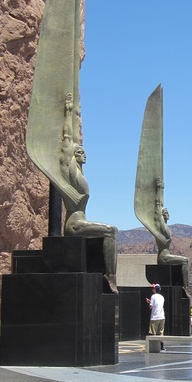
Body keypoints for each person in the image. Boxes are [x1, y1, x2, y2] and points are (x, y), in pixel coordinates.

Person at [61, 94, 118, 293]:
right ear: (72, 155)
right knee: (111, 230)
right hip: (74, 225)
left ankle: (109, 275)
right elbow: (67, 138)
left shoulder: (81, 173)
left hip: (81, 221)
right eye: (79, 152)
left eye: (84, 151)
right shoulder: (69, 171)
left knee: (111, 231)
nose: (84, 154)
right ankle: (110, 276)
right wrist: (68, 111)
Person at [154, 178, 189, 294]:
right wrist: (159, 189)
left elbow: (161, 205)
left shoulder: (166, 228)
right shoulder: (161, 226)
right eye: (166, 212)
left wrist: (162, 189)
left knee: (184, 260)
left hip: (166, 255)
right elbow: (158, 206)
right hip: (163, 257)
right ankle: (185, 287)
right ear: (162, 215)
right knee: (185, 261)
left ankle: (184, 286)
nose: (168, 214)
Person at [146, 283, 165, 349]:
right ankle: (162, 346)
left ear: (155, 289)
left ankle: (154, 347)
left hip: (155, 317)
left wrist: (149, 302)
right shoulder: (162, 297)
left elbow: (151, 307)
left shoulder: (153, 296)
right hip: (162, 317)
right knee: (161, 333)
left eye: (153, 288)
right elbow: (158, 305)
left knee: (153, 333)